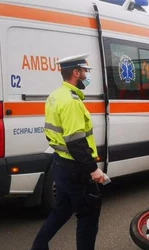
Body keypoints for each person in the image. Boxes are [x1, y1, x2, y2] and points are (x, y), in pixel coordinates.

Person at [31, 54, 106, 250]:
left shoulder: (56, 95)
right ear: (76, 73)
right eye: (84, 72)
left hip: (60, 163)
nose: (86, 76)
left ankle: (38, 246)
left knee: (62, 211)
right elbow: (76, 142)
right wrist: (93, 169)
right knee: (88, 215)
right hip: (76, 168)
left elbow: (52, 132)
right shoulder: (72, 101)